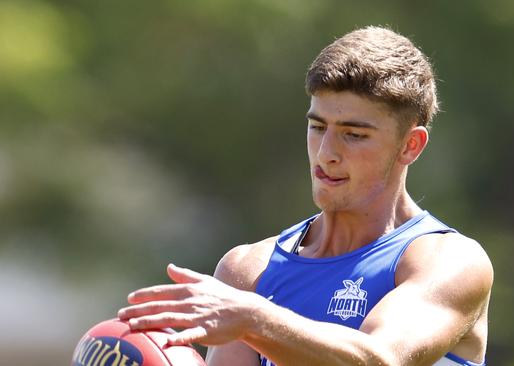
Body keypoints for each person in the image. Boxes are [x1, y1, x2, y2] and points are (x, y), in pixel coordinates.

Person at [118, 26, 493, 366]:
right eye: (317, 126)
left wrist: (254, 318)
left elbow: (381, 359)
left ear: (410, 145)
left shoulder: (449, 262)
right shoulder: (250, 272)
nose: (326, 151)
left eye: (354, 134)